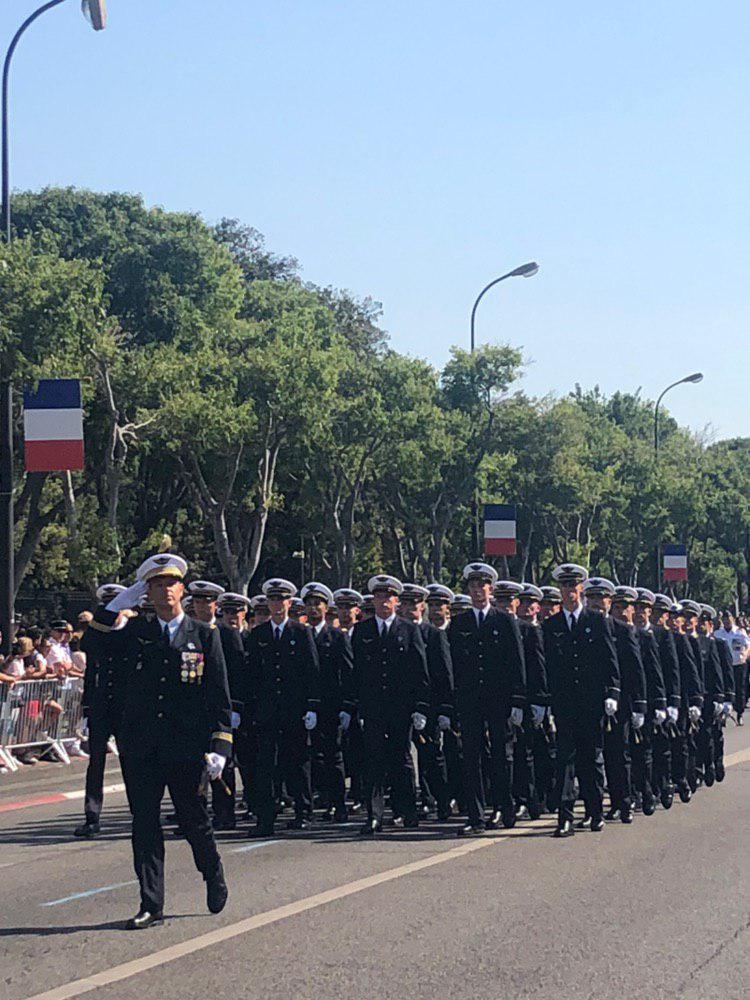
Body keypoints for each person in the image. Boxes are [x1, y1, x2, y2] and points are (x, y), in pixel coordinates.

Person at [83, 553, 232, 930]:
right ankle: (151, 903)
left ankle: (212, 872)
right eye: (155, 584)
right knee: (144, 824)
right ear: (146, 592)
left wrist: (219, 748)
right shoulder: (135, 633)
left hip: (185, 747)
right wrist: (116, 605)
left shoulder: (204, 635)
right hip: (142, 748)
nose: (164, 591)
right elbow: (93, 643)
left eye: (170, 583)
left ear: (183, 589)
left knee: (193, 820)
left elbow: (219, 698)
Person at [543, 564, 619, 838]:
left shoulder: (597, 621)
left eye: (573, 586)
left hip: (591, 702)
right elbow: (547, 667)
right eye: (564, 586)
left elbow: (610, 661)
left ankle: (595, 810)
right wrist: (546, 702)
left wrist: (612, 693)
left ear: (581, 589)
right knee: (565, 761)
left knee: (591, 759)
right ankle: (565, 818)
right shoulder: (550, 626)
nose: (569, 591)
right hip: (564, 704)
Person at [449, 563, 525, 836]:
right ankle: (476, 816)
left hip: (499, 699)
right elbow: (453, 666)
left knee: (501, 757)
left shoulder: (504, 621)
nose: (477, 591)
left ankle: (505, 805)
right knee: (471, 757)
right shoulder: (458, 624)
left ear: (490, 589)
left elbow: (516, 663)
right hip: (470, 700)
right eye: (473, 586)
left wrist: (517, 700)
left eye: (482, 586)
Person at [351, 574, 430, 836]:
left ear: (397, 601)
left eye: (388, 597)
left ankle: (407, 810)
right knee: (373, 761)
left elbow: (419, 670)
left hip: (401, 706)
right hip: (374, 706)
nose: (384, 602)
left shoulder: (409, 629)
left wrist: (420, 706)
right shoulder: (362, 630)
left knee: (402, 759)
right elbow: (357, 673)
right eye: (379, 597)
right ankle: (374, 815)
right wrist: (359, 707)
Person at [246, 578, 320, 836]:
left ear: (290, 603)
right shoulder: (258, 634)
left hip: (294, 709)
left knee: (297, 762)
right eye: (273, 600)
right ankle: (265, 817)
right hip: (267, 711)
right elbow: (252, 675)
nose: (277, 604)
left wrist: (311, 706)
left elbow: (312, 672)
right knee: (266, 765)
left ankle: (303, 812)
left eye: (282, 599)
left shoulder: (301, 633)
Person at [75, 583, 128, 838]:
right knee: (95, 764)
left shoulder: (133, 631)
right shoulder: (97, 634)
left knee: (132, 763)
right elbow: (90, 672)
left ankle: (140, 813)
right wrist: (86, 710)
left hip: (127, 707)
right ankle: (92, 816)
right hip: (100, 707)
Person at [398, 583, 454, 821]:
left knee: (431, 757)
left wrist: (444, 708)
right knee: (400, 758)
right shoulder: (397, 631)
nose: (411, 608)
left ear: (423, 606)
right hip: (401, 704)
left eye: (415, 603)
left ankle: (442, 802)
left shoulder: (434, 634)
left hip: (429, 705)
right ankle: (407, 808)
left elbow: (443, 674)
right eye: (406, 603)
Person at [302, 581, 354, 823]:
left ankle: (338, 804)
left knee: (333, 757)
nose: (313, 609)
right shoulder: (298, 633)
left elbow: (347, 673)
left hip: (330, 705)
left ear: (326, 607)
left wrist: (346, 706)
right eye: (309, 605)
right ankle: (312, 804)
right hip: (304, 706)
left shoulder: (336, 637)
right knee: (309, 758)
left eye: (318, 604)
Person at [630, 589, 667, 815]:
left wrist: (663, 704)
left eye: (644, 609)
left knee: (649, 750)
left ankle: (651, 789)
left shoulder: (657, 636)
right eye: (638, 608)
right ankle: (633, 792)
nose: (640, 613)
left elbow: (660, 673)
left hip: (650, 701)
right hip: (629, 700)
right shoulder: (624, 632)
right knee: (628, 752)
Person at [714, 610, 750, 726]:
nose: (726, 622)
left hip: (738, 664)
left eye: (728, 620)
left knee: (740, 690)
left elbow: (748, 645)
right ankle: (723, 714)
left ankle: (739, 713)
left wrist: (746, 654)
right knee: (725, 689)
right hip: (724, 666)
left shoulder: (739, 633)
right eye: (724, 620)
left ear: (733, 620)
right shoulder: (718, 633)